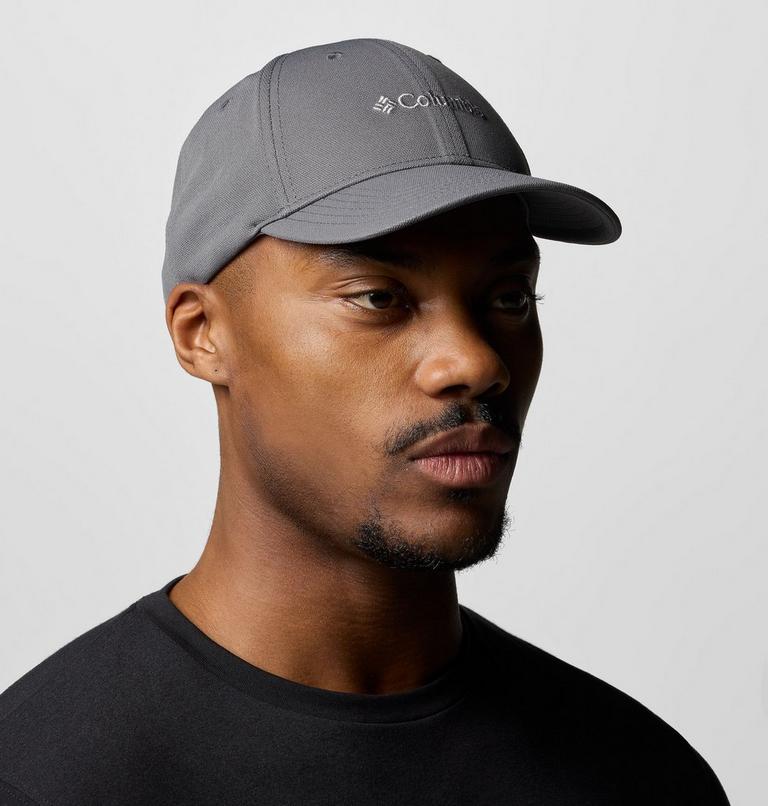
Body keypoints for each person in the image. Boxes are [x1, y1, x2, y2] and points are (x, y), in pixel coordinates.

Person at [0, 38, 730, 805]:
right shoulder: (41, 781)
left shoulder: (640, 777)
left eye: (509, 297)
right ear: (202, 334)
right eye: (379, 297)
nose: (476, 362)